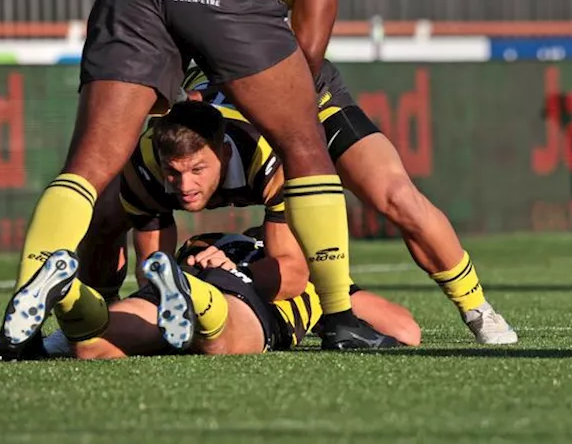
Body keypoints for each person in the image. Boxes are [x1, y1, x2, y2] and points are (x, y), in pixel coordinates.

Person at [0, 0, 382, 359]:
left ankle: (33, 310)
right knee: (303, 140)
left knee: (87, 168)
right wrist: (267, 96)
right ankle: (338, 318)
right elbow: (308, 42)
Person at [29, 98, 402, 354]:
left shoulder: (269, 159)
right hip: (212, 289)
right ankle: (72, 299)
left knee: (109, 343)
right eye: (173, 173)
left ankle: (76, 301)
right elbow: (151, 277)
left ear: (223, 154)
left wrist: (329, 306)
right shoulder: (146, 165)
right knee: (96, 347)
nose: (185, 185)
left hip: (216, 282)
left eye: (196, 170)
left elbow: (291, 272)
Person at [184, 61, 518, 344]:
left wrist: (242, 271)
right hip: (220, 128)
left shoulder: (253, 3)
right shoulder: (170, 149)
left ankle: (476, 307)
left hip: (304, 100)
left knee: (396, 196)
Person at [42, 227, 420, 359]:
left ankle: (69, 295)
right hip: (241, 299)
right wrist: (333, 308)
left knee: (91, 347)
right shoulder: (314, 274)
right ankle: (192, 295)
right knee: (218, 341)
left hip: (187, 268)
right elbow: (407, 332)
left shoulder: (212, 240)